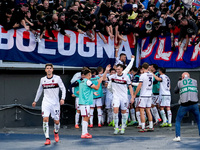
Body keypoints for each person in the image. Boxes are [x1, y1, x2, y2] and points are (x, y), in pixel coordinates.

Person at [32, 63, 66, 145]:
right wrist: (35, 100)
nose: (49, 69)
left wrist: (62, 98)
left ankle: (56, 131)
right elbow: (39, 90)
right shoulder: (42, 79)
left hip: (55, 103)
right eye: (47, 68)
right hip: (46, 102)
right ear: (45, 70)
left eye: (50, 68)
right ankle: (47, 138)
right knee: (45, 119)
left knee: (56, 121)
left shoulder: (57, 78)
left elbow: (63, 88)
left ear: (52, 69)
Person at [103, 64, 134, 135]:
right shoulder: (113, 76)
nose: (117, 71)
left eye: (119, 69)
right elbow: (104, 78)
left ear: (122, 69)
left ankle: (123, 127)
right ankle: (116, 128)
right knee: (115, 111)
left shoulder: (126, 77)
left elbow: (130, 87)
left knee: (123, 112)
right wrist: (106, 71)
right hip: (116, 97)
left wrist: (132, 97)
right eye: (116, 69)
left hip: (124, 97)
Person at [173, 72, 200, 142]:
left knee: (178, 120)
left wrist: (179, 83)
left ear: (182, 78)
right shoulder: (195, 81)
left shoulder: (180, 82)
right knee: (199, 120)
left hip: (184, 105)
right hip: (194, 104)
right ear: (189, 76)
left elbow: (175, 91)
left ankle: (177, 136)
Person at [79, 69, 103, 138]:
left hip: (84, 102)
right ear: (89, 75)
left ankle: (85, 132)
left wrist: (92, 93)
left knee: (86, 117)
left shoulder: (82, 81)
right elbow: (97, 87)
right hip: (85, 103)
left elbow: (85, 91)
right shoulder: (88, 81)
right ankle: (84, 133)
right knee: (86, 117)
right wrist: (99, 82)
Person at [134, 62, 154, 132]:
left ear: (142, 68)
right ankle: (151, 125)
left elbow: (139, 86)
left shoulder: (142, 75)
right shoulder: (151, 74)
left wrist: (134, 94)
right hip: (149, 95)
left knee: (142, 110)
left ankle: (143, 126)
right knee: (148, 110)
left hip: (143, 95)